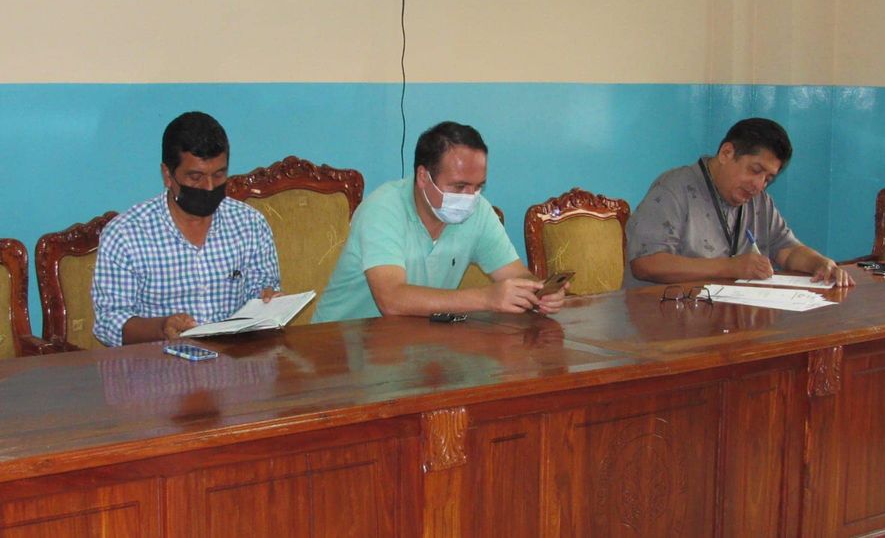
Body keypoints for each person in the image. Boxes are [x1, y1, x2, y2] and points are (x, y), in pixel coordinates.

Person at [312, 121, 566, 323]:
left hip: (413, 345)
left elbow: (515, 273)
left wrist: (538, 291)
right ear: (423, 177)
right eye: (459, 186)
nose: (470, 197)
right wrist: (486, 298)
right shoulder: (383, 208)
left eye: (478, 186)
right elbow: (391, 299)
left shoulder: (478, 211)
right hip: (341, 346)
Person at [93, 111, 280, 346]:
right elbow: (109, 322)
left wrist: (268, 300)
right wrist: (162, 328)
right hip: (160, 363)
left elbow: (261, 290)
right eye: (195, 177)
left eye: (219, 175)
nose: (209, 187)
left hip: (235, 360)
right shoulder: (125, 235)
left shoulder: (250, 224)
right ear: (167, 175)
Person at [623, 117, 854, 288]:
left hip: (727, 317)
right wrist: (730, 267)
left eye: (768, 179)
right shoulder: (674, 188)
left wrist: (820, 263)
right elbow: (646, 264)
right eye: (755, 170)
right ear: (726, 153)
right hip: (665, 316)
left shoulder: (759, 202)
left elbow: (787, 250)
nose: (759, 185)